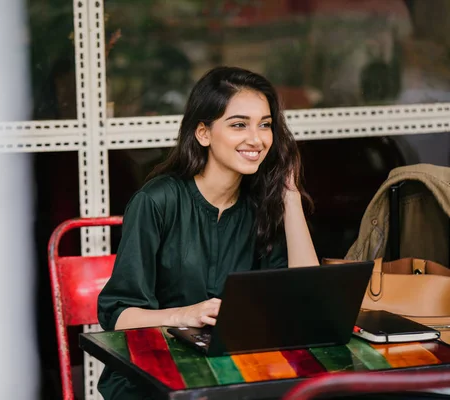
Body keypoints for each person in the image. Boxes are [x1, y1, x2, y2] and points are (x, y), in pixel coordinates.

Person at [96, 66, 319, 399]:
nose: (256, 139)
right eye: (239, 125)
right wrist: (185, 315)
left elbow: (307, 299)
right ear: (203, 133)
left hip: (234, 373)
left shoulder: (263, 205)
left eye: (265, 125)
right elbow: (118, 316)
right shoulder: (157, 201)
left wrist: (289, 194)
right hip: (151, 376)